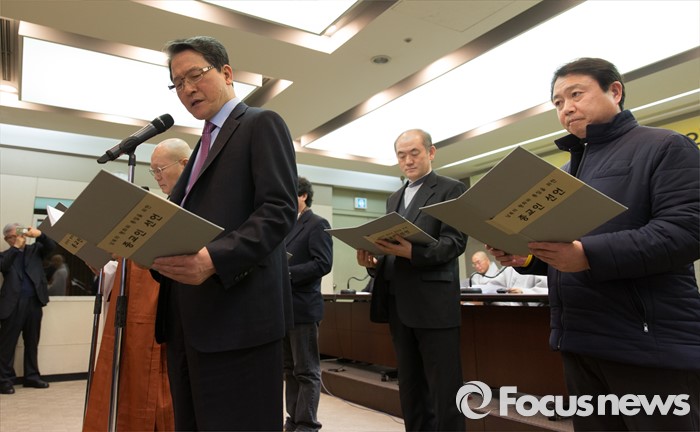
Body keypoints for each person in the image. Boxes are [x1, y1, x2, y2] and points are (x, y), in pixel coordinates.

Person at [488, 57, 700, 431]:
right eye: (557, 102)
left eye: (576, 94)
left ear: (614, 91)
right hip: (580, 341)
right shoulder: (566, 173)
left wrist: (588, 256)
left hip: (648, 345)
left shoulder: (665, 146)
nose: (566, 108)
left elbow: (686, 232)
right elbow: (567, 251)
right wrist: (528, 257)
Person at [149, 36, 298, 431]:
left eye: (195, 75)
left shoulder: (260, 123)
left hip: (239, 320)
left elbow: (278, 211)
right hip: (187, 320)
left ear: (227, 73)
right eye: (177, 83)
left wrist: (213, 259)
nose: (187, 89)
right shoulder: (201, 145)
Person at [356, 129, 467, 431]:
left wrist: (413, 252)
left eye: (414, 153)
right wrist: (374, 263)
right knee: (410, 387)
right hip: (398, 304)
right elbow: (392, 249)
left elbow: (454, 242)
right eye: (401, 155)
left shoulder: (451, 189)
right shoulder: (394, 197)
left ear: (431, 152)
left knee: (445, 389)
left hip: (434, 305)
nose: (408, 160)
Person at [83, 140, 186, 431]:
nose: (157, 177)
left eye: (160, 169)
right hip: (130, 310)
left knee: (159, 388)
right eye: (153, 171)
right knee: (122, 374)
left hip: (163, 313)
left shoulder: (190, 205)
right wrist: (103, 263)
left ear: (185, 164)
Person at [283, 177, 333, 432]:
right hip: (284, 307)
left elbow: (323, 263)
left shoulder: (317, 223)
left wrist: (286, 273)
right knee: (289, 370)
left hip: (304, 307)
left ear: (303, 196)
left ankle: (307, 425)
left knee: (306, 370)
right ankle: (293, 420)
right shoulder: (285, 224)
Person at [0, 224, 56, 394]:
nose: (19, 237)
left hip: (34, 302)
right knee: (7, 345)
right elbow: (3, 266)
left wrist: (39, 234)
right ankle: (4, 380)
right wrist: (16, 248)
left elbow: (51, 246)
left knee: (32, 342)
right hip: (12, 304)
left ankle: (32, 376)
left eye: (21, 233)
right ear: (7, 239)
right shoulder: (5, 255)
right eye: (14, 235)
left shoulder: (35, 250)